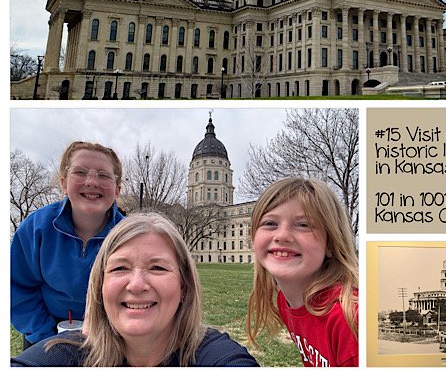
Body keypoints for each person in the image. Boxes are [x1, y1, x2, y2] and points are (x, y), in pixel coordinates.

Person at [11, 211, 259, 367]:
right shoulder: (64, 355)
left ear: (184, 285)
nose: (137, 284)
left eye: (158, 268)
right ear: (100, 285)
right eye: (120, 268)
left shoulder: (217, 358)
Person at [11, 141, 125, 347]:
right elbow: (17, 288)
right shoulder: (36, 227)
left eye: (104, 175)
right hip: (44, 332)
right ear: (64, 183)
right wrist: (46, 337)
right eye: (80, 172)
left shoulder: (130, 236)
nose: (91, 181)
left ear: (117, 190)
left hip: (111, 336)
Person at [246, 177, 358, 367]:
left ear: (331, 243)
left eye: (303, 224)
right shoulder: (286, 300)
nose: (282, 236)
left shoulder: (349, 319)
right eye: (270, 223)